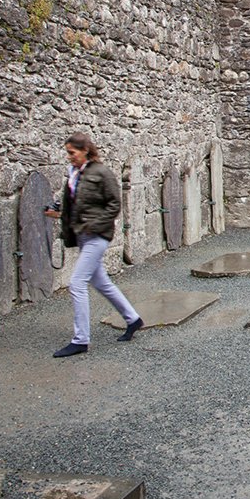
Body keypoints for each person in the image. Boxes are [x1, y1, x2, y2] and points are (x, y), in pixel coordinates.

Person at [45, 132, 143, 357]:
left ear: (85, 151)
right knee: (101, 283)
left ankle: (81, 340)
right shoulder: (74, 173)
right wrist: (58, 211)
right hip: (82, 235)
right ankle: (133, 319)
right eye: (68, 153)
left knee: (77, 283)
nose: (69, 157)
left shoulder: (101, 172)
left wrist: (93, 224)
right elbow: (75, 204)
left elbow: (114, 204)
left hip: (97, 236)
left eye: (72, 152)